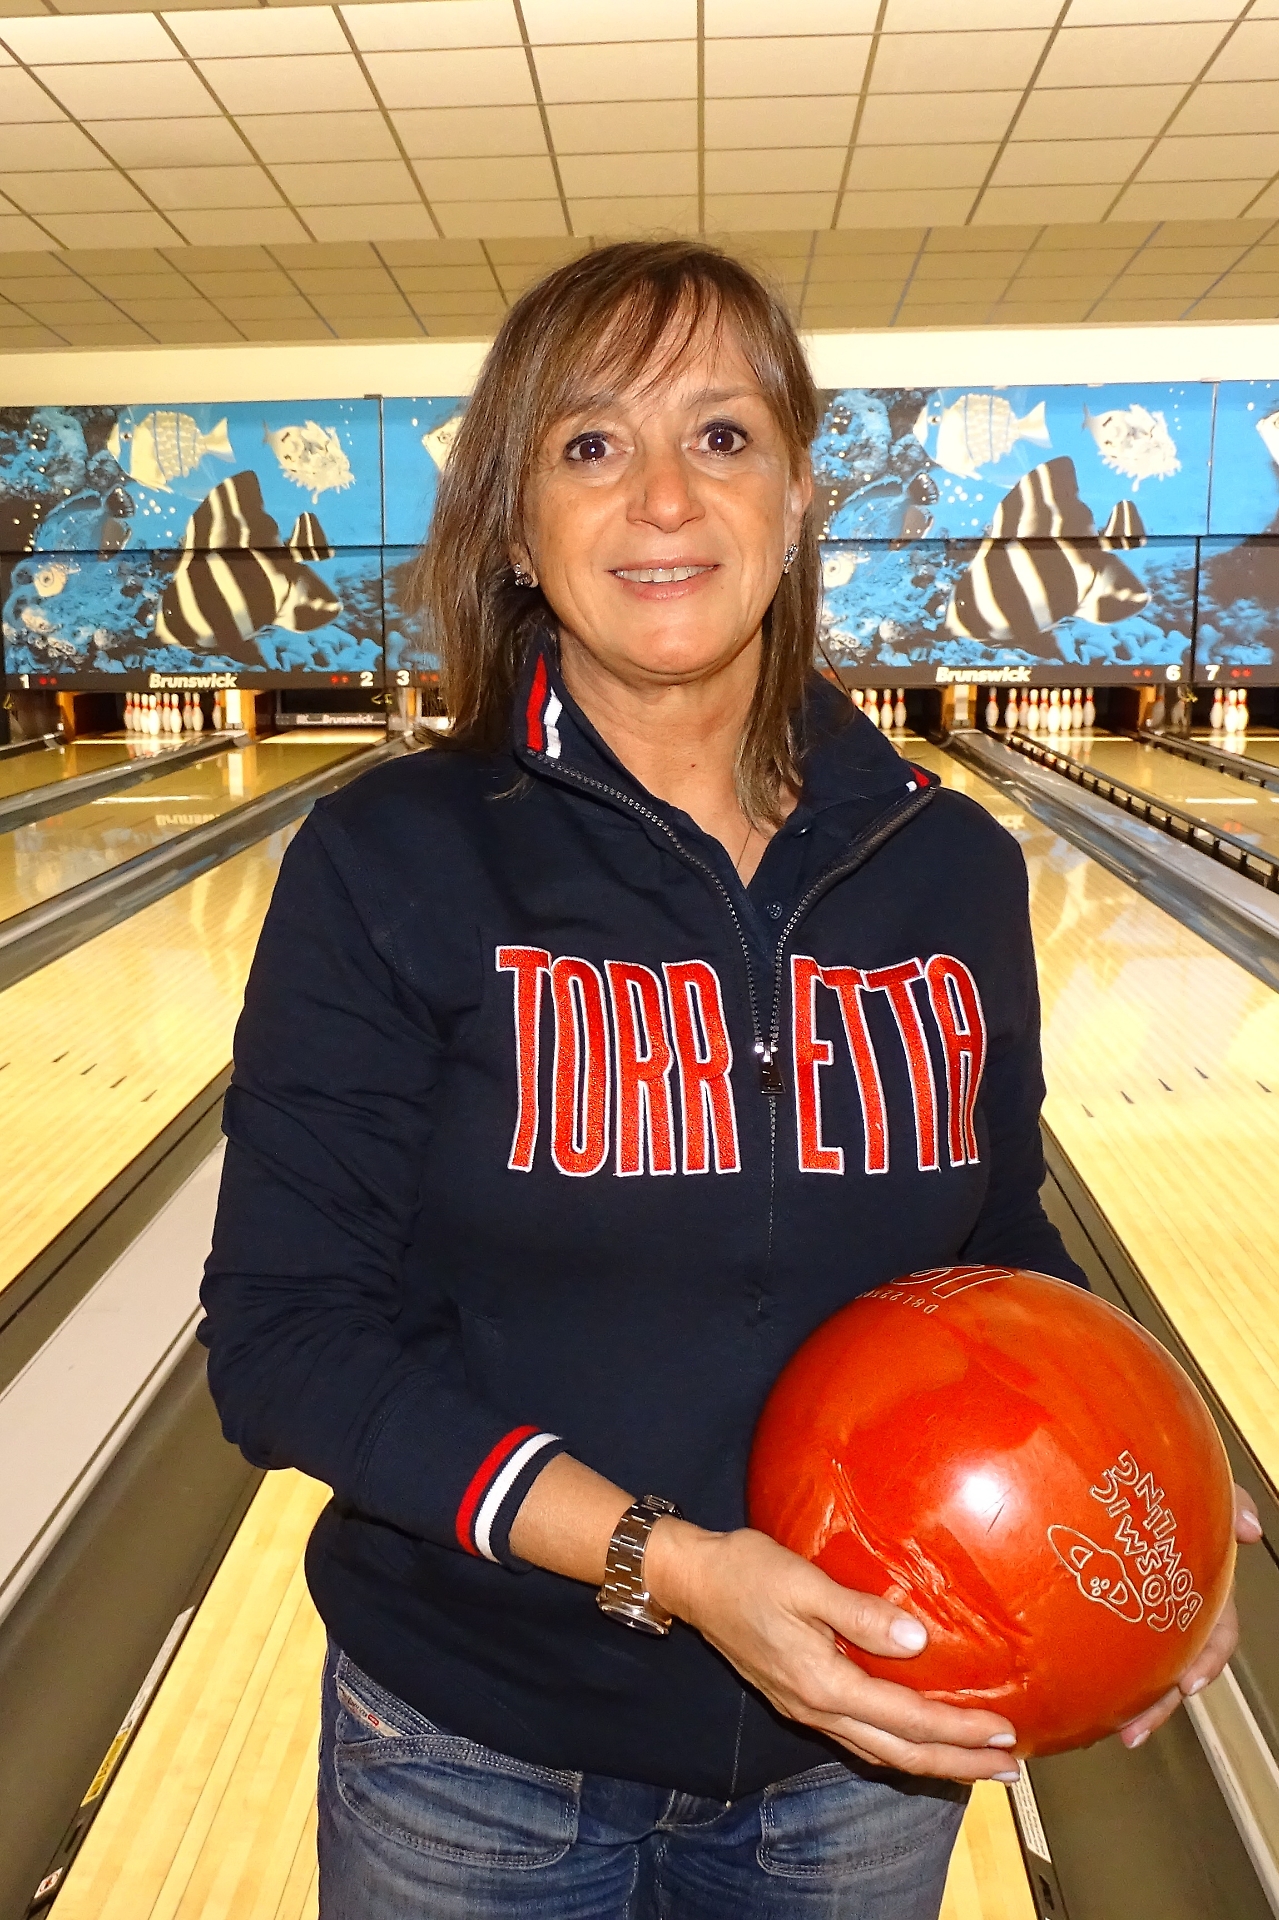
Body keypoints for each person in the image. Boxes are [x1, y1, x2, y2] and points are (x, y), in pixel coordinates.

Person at [199, 241, 1258, 1920]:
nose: (665, 499)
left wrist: (1144, 1516)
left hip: (863, 1764)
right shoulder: (392, 860)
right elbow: (284, 1344)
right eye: (591, 443)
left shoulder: (947, 869)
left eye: (722, 434)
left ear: (801, 489)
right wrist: (673, 1567)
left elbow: (998, 1254)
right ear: (516, 523)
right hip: (475, 1758)